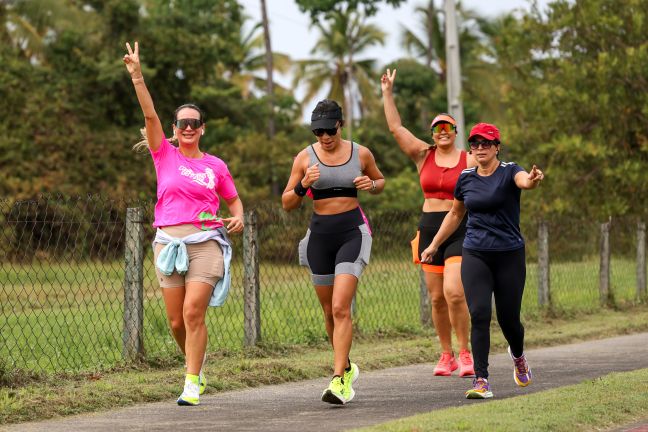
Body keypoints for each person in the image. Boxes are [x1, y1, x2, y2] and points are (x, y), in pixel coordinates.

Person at [124, 42, 244, 406]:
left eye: (194, 123)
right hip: (167, 244)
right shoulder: (165, 155)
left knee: (193, 312)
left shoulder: (216, 166)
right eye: (183, 123)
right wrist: (138, 77)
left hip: (205, 241)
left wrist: (237, 215)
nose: (188, 127)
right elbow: (150, 118)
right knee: (177, 322)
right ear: (175, 129)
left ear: (202, 129)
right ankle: (197, 366)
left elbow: (233, 199)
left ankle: (191, 381)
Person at [421, 122, 544, 399]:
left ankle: (518, 355)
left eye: (486, 143)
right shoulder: (465, 177)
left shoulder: (510, 170)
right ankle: (481, 379)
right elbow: (455, 215)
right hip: (475, 252)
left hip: (509, 254)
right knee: (478, 314)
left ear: (497, 146)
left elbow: (525, 181)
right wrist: (434, 245)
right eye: (475, 144)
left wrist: (533, 181)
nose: (479, 148)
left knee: (509, 319)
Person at [282, 99, 385, 405]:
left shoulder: (360, 153)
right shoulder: (304, 157)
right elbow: (287, 202)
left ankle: (339, 379)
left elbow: (380, 180)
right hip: (319, 237)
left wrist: (372, 185)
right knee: (329, 312)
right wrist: (302, 185)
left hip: (351, 233)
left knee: (341, 307)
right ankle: (348, 365)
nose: (324, 137)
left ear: (341, 125)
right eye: (318, 131)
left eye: (329, 130)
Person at [381, 68, 475, 377]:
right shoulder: (423, 155)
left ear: (455, 130)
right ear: (433, 133)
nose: (442, 132)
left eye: (447, 126)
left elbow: (494, 173)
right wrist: (387, 93)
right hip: (430, 226)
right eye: (437, 128)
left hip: (460, 227)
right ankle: (445, 354)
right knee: (436, 297)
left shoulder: (469, 159)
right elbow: (396, 127)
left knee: (454, 292)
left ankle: (465, 353)